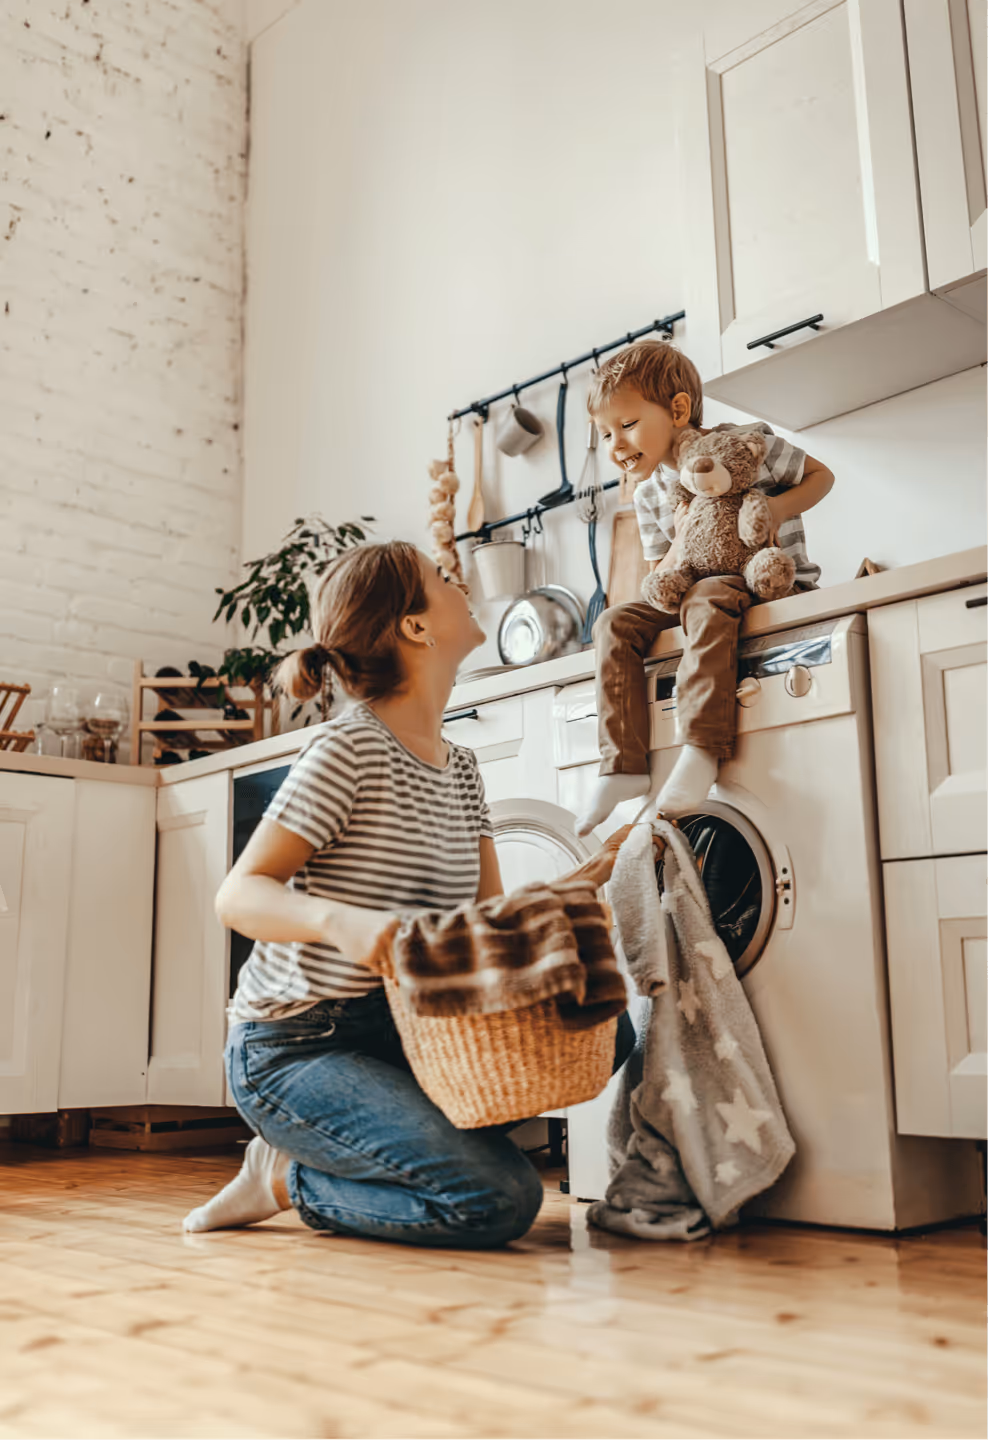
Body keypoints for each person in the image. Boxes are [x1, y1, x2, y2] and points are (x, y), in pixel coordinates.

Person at [182, 541, 549, 1246]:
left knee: (598, 1017)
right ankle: (283, 1178)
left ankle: (344, 1148)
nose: (459, 581)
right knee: (496, 1197)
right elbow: (239, 896)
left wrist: (559, 915)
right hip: (295, 1046)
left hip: (404, 1024)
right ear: (416, 627)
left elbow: (485, 923)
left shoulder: (462, 768)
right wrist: (339, 922)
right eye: (442, 579)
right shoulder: (349, 749)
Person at [577, 340, 833, 836]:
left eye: (627, 425)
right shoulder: (650, 493)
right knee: (614, 622)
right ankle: (623, 767)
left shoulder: (746, 443)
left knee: (706, 594)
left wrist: (776, 510)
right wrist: (683, 530)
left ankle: (701, 748)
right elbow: (660, 577)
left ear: (677, 409)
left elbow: (822, 477)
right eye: (605, 434)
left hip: (769, 583)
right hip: (697, 594)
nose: (616, 445)